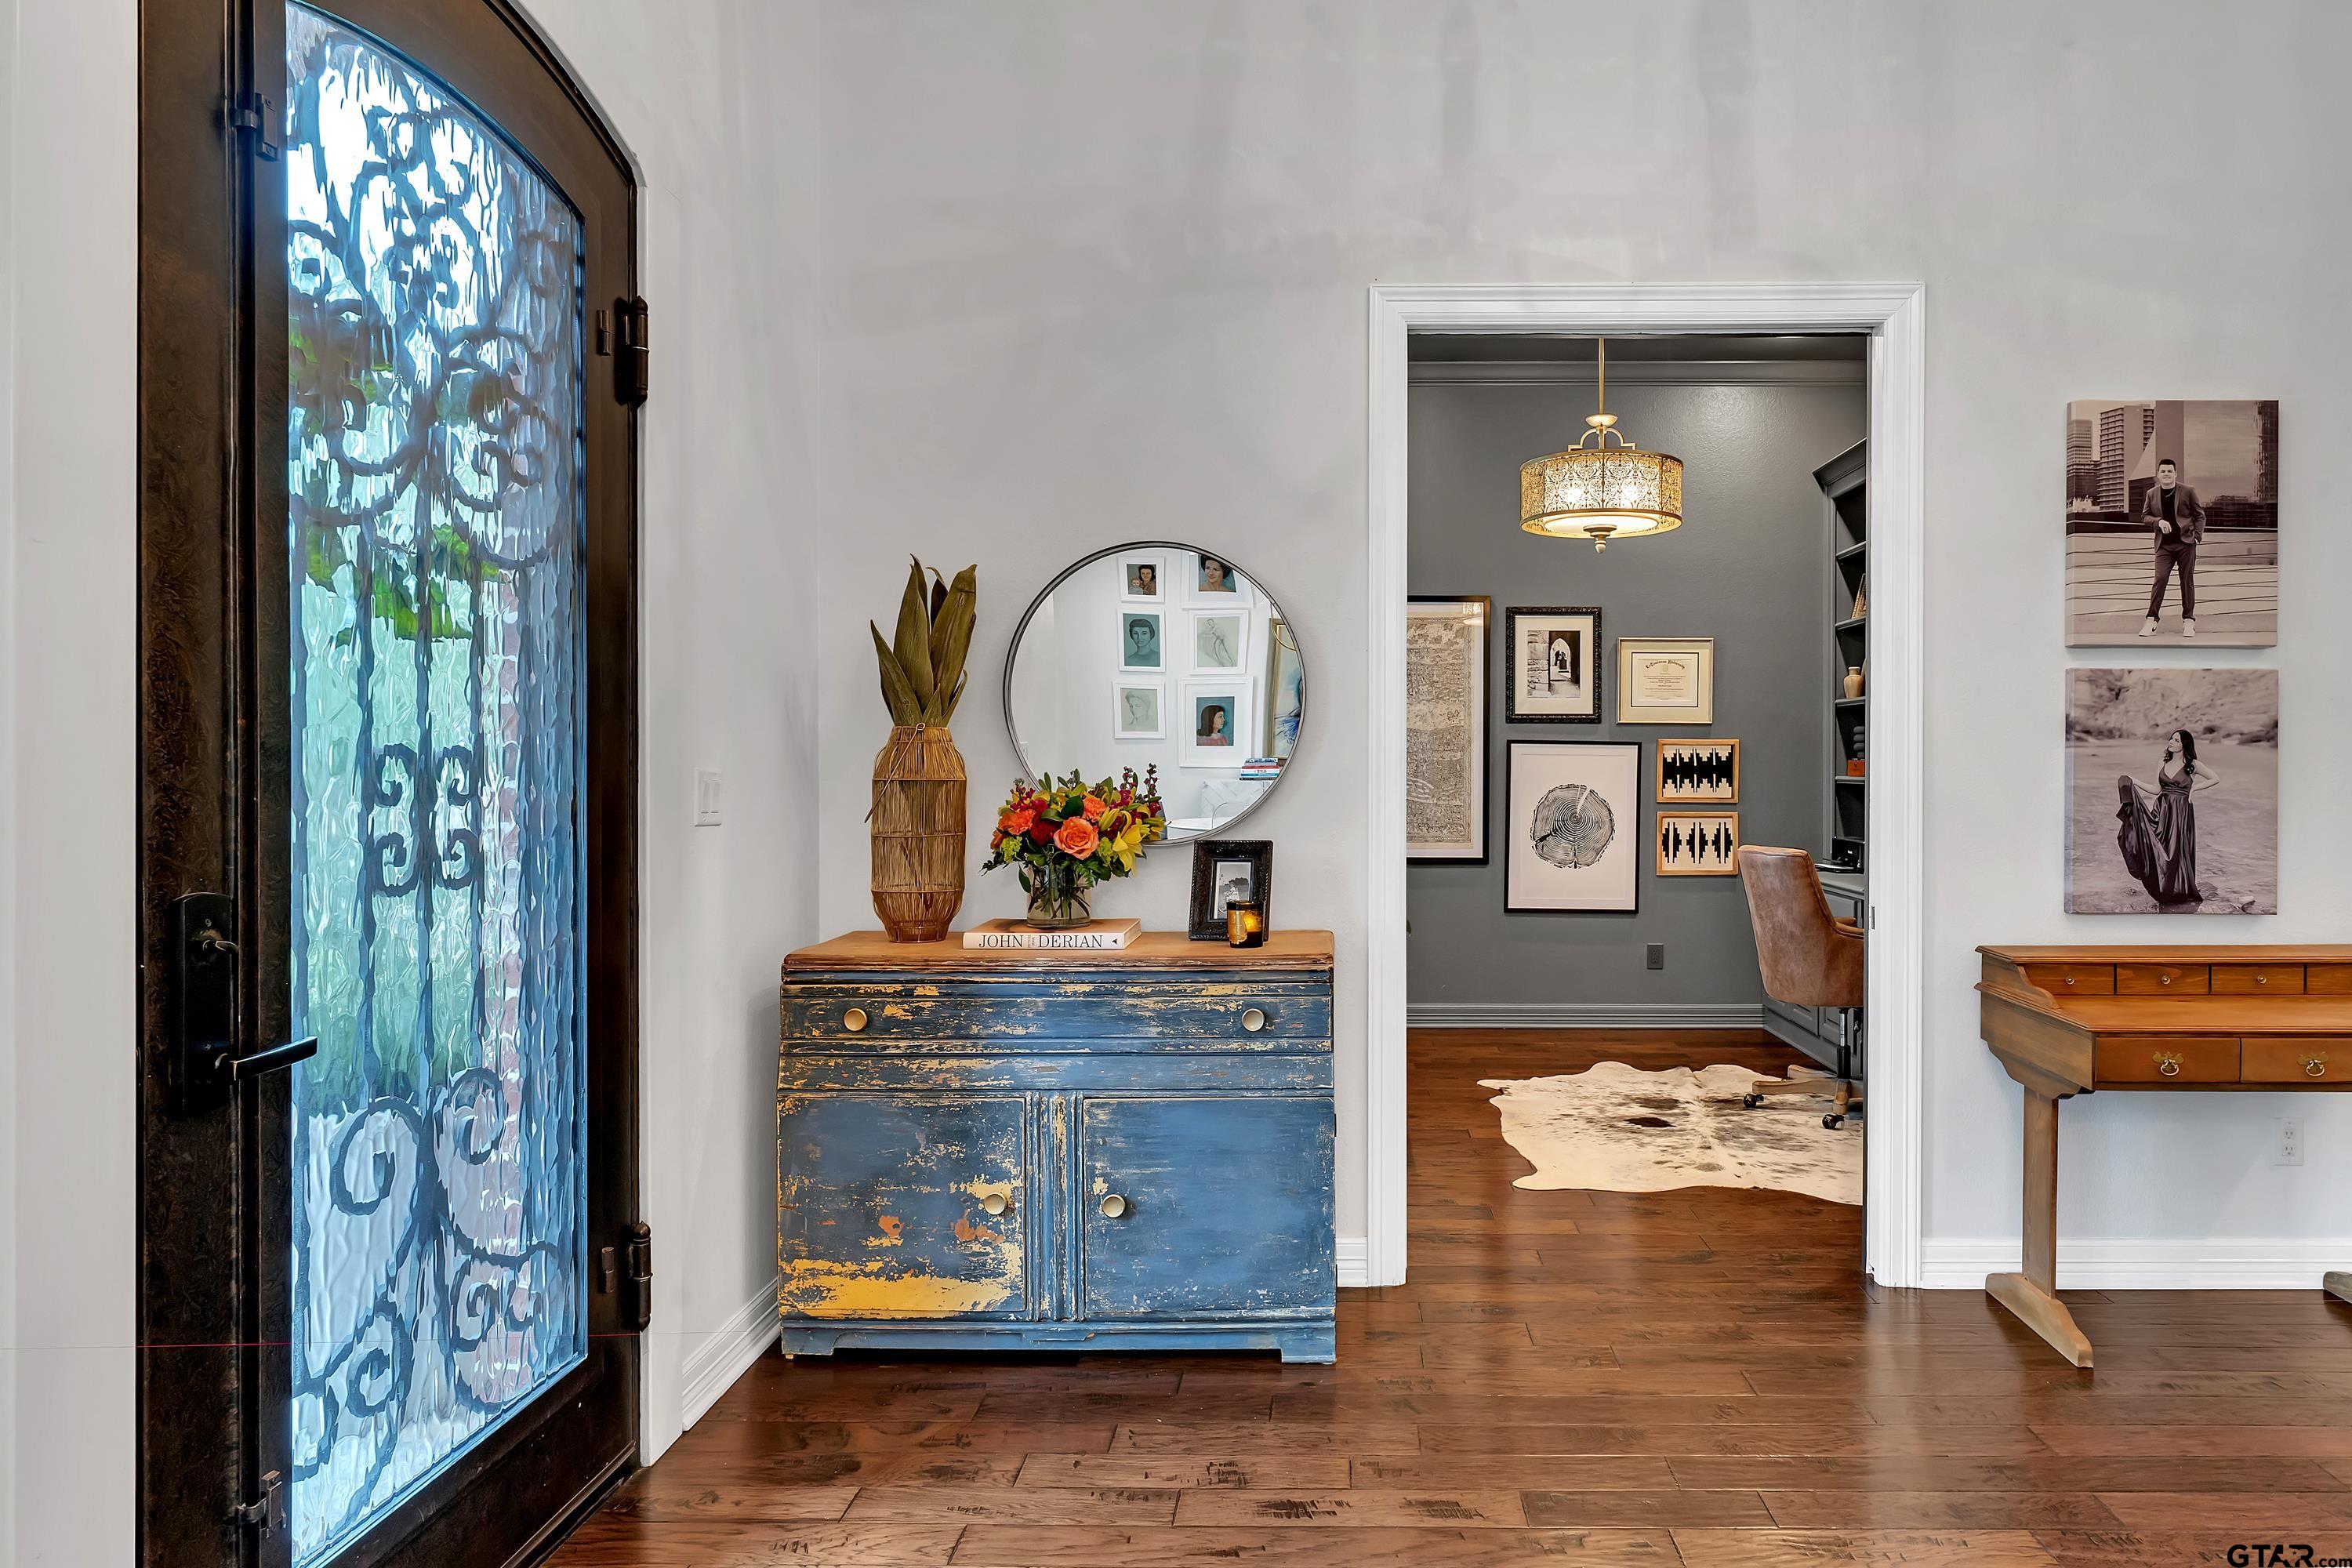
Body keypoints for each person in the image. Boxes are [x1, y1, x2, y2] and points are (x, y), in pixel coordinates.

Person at [2116, 728, 2221, 906]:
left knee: (2178, 850)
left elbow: (2215, 778)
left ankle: (2180, 889)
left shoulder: (2193, 764)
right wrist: (2133, 780)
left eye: (2176, 740)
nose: (2171, 742)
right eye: (2171, 739)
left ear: (2184, 744)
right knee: (2158, 847)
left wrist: (2194, 788)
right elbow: (2156, 790)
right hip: (2163, 809)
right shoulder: (2162, 762)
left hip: (2181, 812)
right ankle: (2162, 887)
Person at [2139, 458, 2206, 639]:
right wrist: (2158, 521)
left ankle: (2188, 621)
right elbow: (2145, 517)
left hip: (2186, 544)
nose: (2166, 474)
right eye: (2163, 471)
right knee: (2160, 579)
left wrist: (2197, 537)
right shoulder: (2151, 493)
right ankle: (2152, 619)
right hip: (2164, 546)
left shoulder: (2188, 491)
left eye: (2170, 471)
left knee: (2186, 582)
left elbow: (2200, 516)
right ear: (2158, 474)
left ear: (2175, 473)